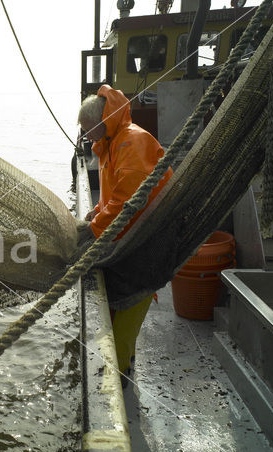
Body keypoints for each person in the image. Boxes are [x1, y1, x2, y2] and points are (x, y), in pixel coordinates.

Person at [77, 84, 173, 379]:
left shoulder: (131, 142)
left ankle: (119, 378)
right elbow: (113, 197)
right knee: (117, 319)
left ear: (104, 121)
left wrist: (93, 229)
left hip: (145, 248)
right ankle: (125, 364)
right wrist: (98, 210)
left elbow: (127, 202)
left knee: (119, 336)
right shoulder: (111, 144)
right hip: (131, 242)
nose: (85, 135)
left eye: (88, 128)